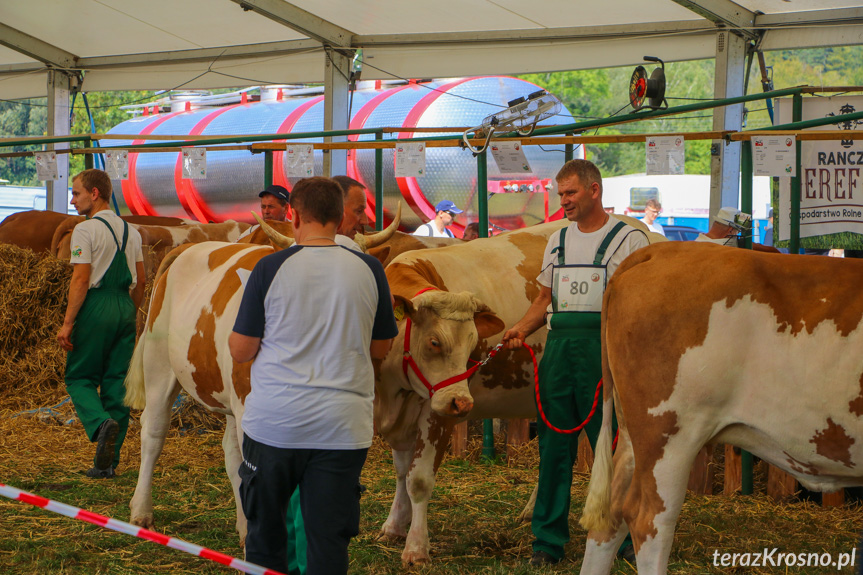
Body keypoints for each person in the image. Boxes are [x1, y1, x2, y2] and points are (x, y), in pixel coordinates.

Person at [229, 176, 398, 575]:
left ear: (293, 215)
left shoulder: (270, 267)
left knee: (266, 537)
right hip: (342, 429)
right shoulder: (371, 269)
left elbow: (241, 350)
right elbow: (380, 349)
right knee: (327, 542)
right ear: (342, 218)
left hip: (274, 426)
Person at [501, 159, 648, 566]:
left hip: (607, 353)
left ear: (594, 190)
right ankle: (546, 542)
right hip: (559, 351)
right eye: (560, 193)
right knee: (552, 448)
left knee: (618, 446)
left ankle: (627, 538)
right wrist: (521, 329)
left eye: (570, 193)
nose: (562, 201)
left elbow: (640, 307)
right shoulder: (557, 241)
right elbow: (543, 299)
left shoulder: (630, 239)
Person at [56, 169, 145, 479]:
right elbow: (142, 281)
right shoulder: (131, 232)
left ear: (94, 194)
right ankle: (108, 464)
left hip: (96, 306)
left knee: (79, 377)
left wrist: (68, 323)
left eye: (77, 192)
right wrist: (128, 312)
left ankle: (98, 423)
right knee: (116, 383)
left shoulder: (85, 230)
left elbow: (81, 278)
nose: (72, 198)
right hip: (124, 306)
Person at [696, 206, 779, 253]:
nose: (737, 234)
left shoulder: (697, 241)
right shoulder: (728, 248)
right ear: (730, 231)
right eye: (738, 231)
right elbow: (771, 251)